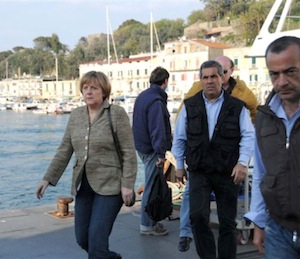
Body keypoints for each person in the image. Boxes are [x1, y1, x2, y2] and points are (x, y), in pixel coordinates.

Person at [36, 71, 137, 259]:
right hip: (83, 186)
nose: (88, 91)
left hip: (110, 185)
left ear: (104, 91)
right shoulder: (76, 116)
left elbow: (129, 153)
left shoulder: (116, 114)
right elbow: (64, 150)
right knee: (83, 239)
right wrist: (47, 179)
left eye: (94, 88)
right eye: (85, 87)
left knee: (97, 242)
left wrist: (127, 185)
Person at [172, 60, 254, 258]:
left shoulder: (237, 107)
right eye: (205, 77)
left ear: (222, 78)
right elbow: (179, 137)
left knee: (228, 223)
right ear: (200, 80)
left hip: (227, 172)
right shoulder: (189, 106)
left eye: (213, 76)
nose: (209, 81)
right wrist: (180, 165)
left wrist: (242, 162)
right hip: (199, 170)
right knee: (198, 217)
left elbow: (249, 135)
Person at [244, 36, 300, 258]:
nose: (282, 82)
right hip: (278, 229)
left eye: (291, 71)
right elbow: (261, 173)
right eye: (274, 74)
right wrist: (258, 220)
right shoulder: (265, 117)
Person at [132, 66, 172, 236]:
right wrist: (161, 154)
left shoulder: (143, 96)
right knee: (151, 186)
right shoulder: (156, 100)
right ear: (165, 81)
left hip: (141, 146)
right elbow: (157, 129)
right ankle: (147, 224)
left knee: (151, 184)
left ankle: (152, 222)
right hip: (151, 150)